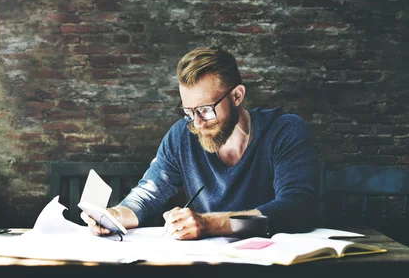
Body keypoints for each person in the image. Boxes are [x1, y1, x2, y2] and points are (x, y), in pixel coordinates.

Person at [81, 46, 318, 240]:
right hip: (209, 263)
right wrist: (115, 216)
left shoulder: (284, 131)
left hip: (274, 265)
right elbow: (149, 193)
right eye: (188, 111)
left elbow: (297, 207)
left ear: (237, 96)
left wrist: (210, 223)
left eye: (205, 109)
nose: (197, 123)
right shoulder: (181, 136)